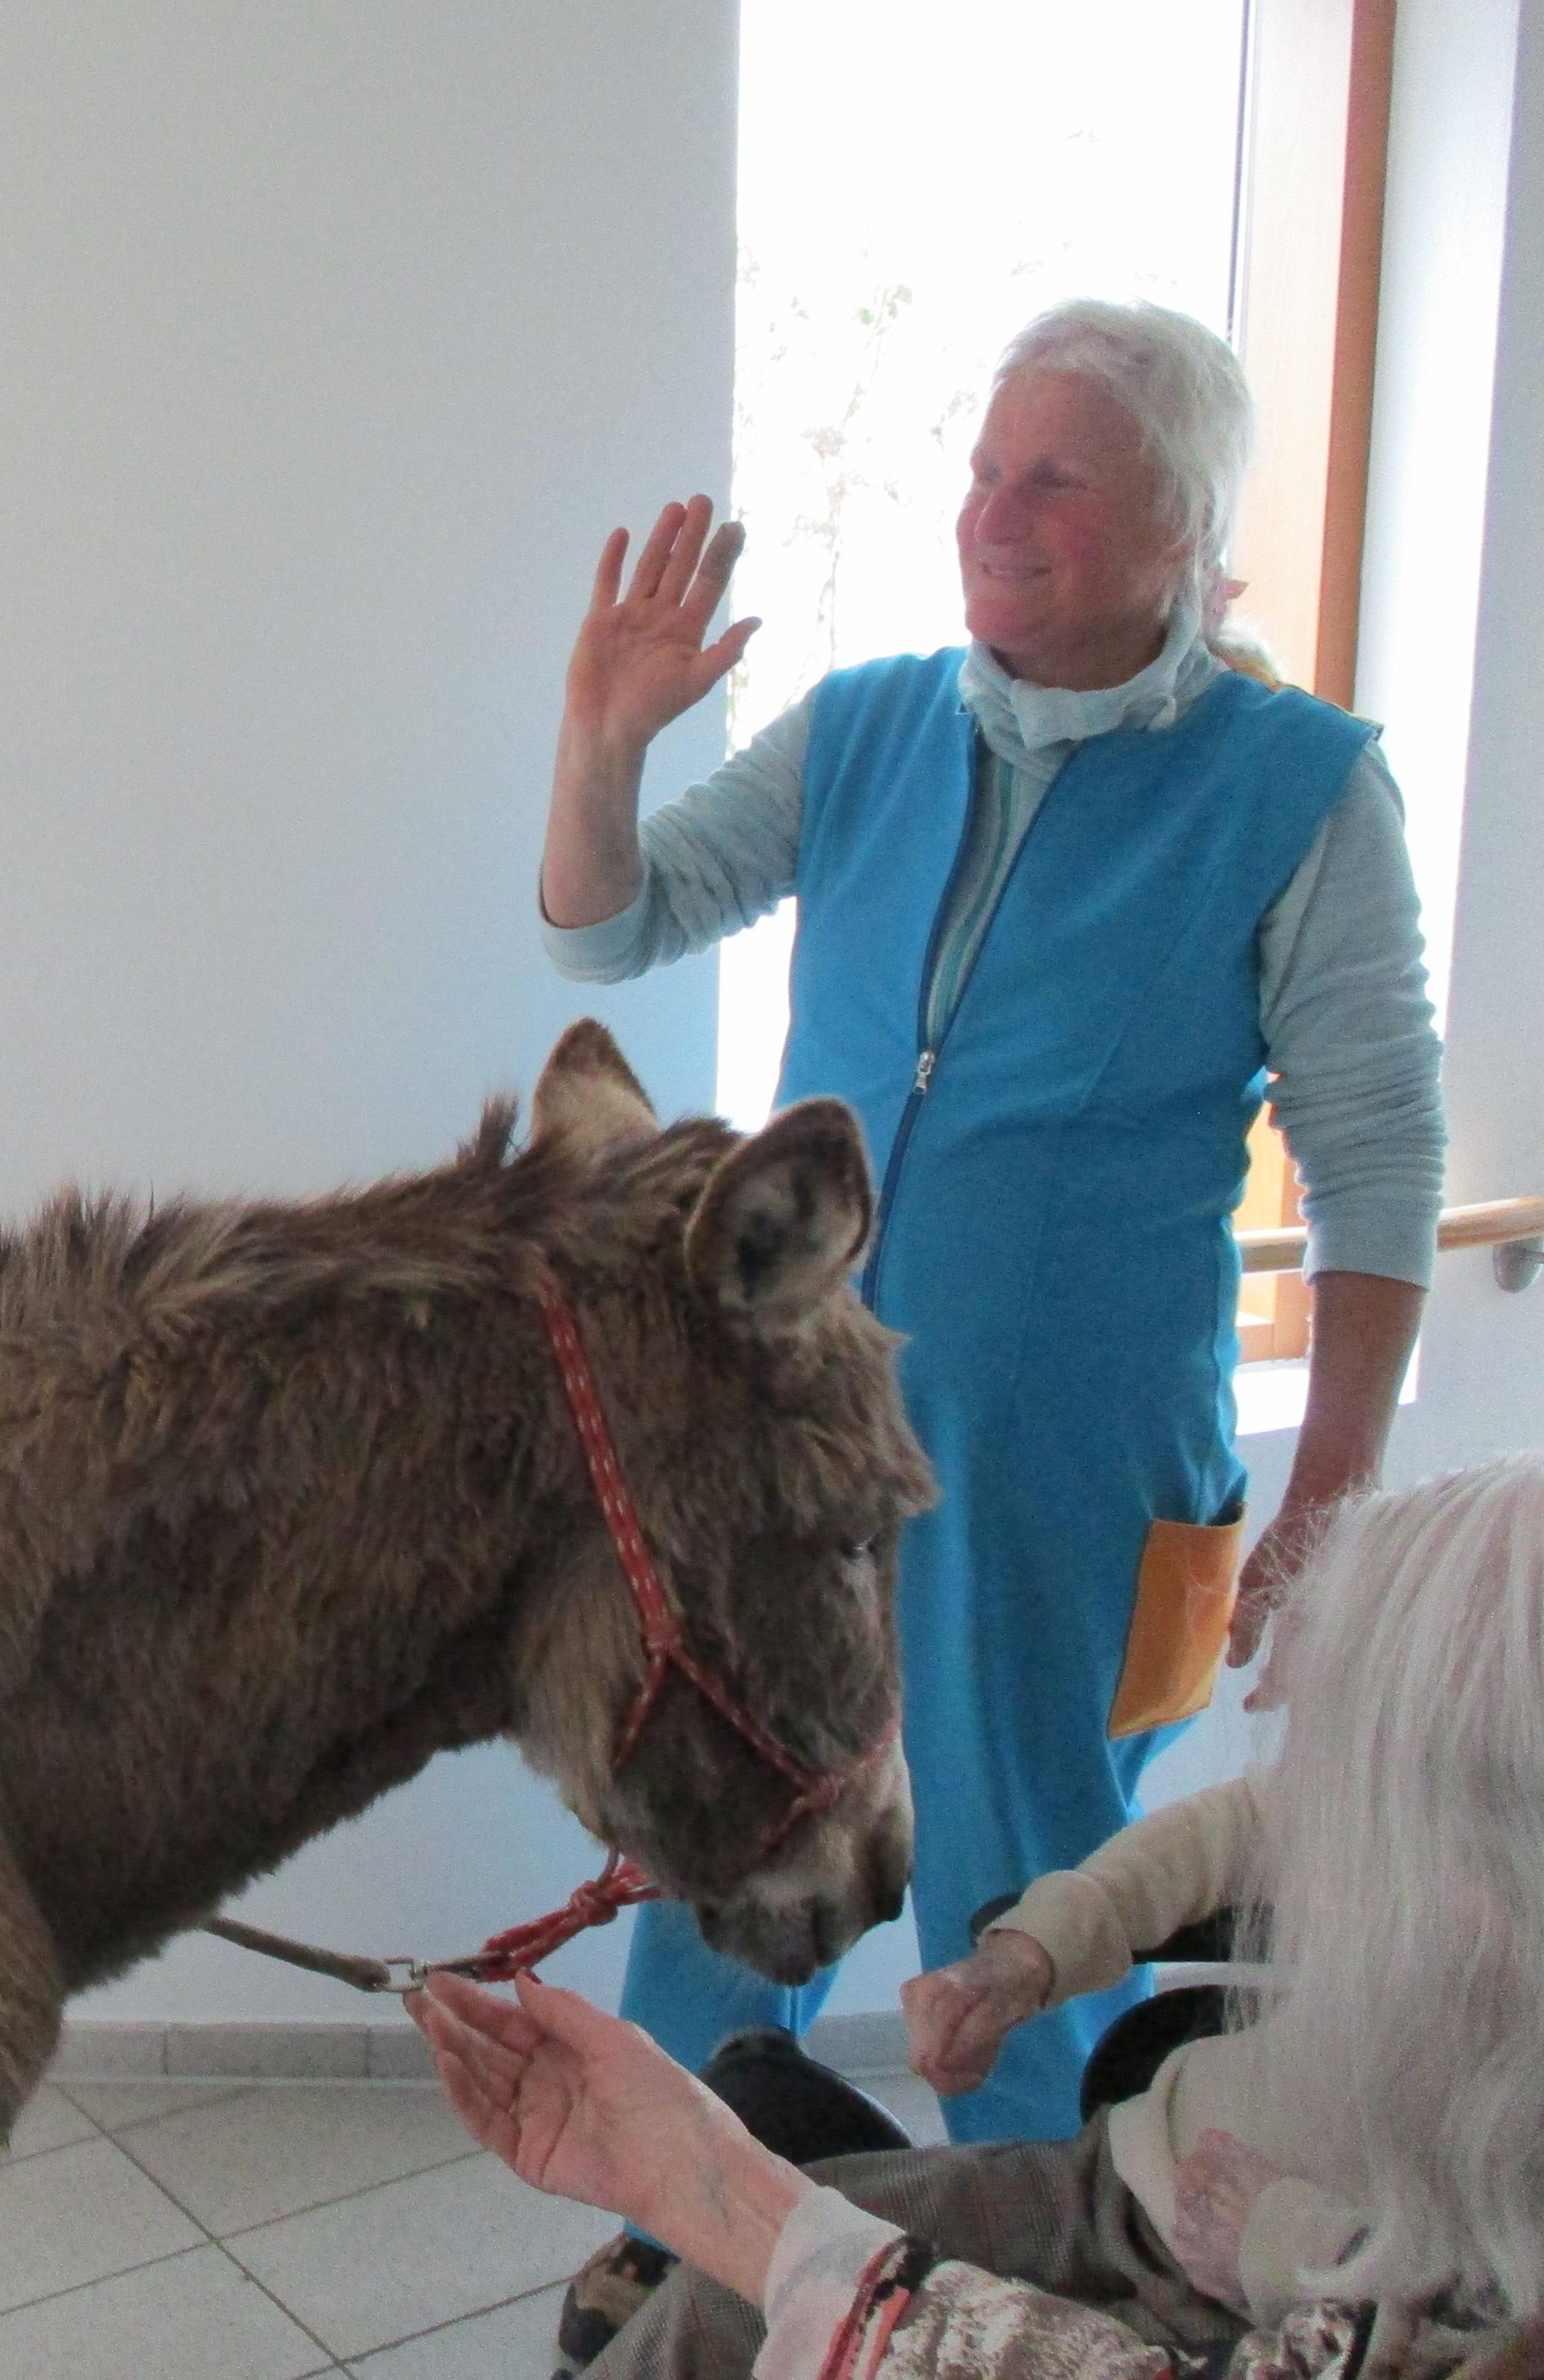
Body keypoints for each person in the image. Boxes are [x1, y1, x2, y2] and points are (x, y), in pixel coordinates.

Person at [536, 298, 1445, 2260]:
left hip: (1070, 1486)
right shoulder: (866, 729)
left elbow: (1379, 1164)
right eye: (982, 469)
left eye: (1056, 481)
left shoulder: (1298, 790)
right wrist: (602, 743)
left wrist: (1337, 1488)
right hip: (793, 1451)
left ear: (1184, 529)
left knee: (1029, 1908)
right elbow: (609, 926)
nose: (992, 513)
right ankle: (685, 2258)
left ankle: (1062, 2285)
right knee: (729, 1861)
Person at [413, 1454, 1544, 2380]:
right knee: (749, 2263)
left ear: (1488, 1859)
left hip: (1225, 2279)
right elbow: (1240, 1825)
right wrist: (1024, 1959)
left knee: (740, 2296)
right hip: (1119, 2179)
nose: (1322, 1813)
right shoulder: (1448, 1881)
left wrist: (1285, 2244)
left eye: (1352, 1768)